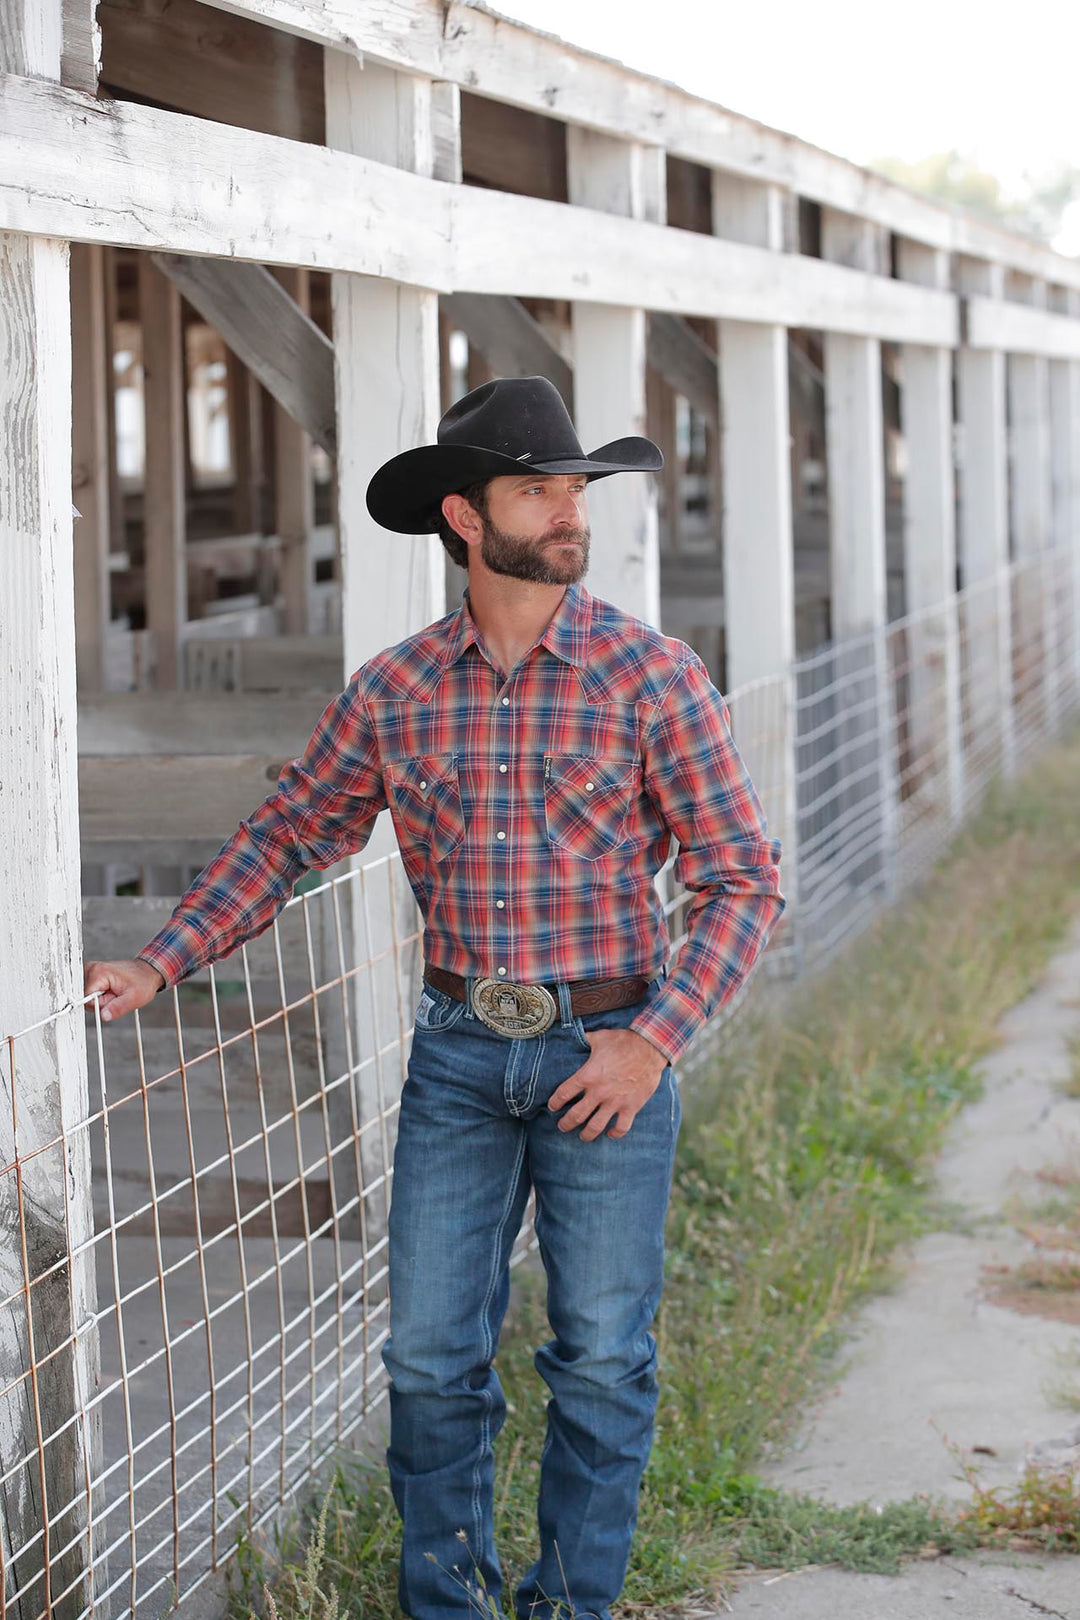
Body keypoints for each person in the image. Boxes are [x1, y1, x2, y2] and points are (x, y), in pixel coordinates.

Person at [85, 376, 785, 1620]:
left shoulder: (652, 676)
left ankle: (570, 1606)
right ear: (466, 517)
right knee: (427, 1362)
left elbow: (742, 883)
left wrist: (649, 1046)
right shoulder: (397, 690)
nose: (571, 512)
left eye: (577, 488)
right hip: (461, 1053)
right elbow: (292, 832)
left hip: (606, 1048)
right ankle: (446, 1606)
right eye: (539, 490)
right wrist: (163, 958)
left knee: (604, 1361)